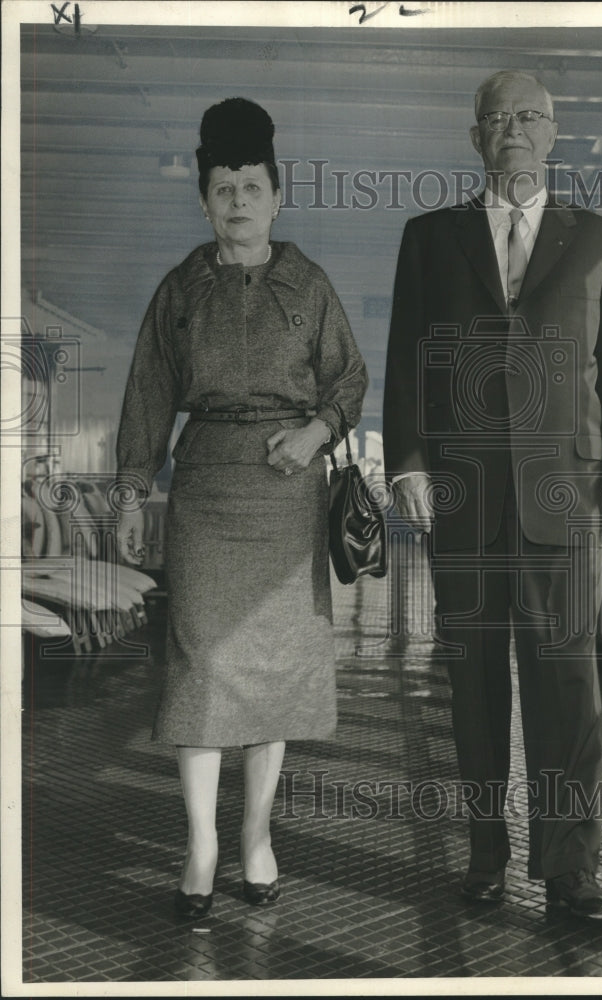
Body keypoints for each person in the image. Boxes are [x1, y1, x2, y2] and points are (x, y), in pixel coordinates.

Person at [383, 71, 602, 919]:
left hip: (563, 498)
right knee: (473, 688)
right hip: (462, 500)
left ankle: (572, 874)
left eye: (528, 117)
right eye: (495, 120)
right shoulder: (430, 239)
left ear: (553, 131)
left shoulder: (597, 237)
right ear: (475, 138)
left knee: (567, 688)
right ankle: (485, 855)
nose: (512, 131)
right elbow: (402, 367)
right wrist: (408, 463)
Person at [115, 97, 368, 919]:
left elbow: (349, 380)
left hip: (289, 495)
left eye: (250, 185)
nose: (236, 200)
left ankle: (257, 837)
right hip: (205, 492)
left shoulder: (308, 283)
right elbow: (149, 393)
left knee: (273, 678)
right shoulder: (181, 288)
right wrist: (129, 490)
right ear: (203, 200)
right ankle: (202, 846)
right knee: (201, 666)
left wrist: (317, 433)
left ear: (276, 194)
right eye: (221, 187)